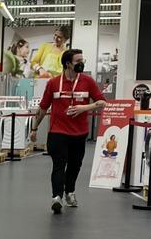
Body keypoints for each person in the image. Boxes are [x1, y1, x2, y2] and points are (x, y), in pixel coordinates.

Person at [30, 48, 106, 214]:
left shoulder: (88, 82)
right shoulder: (53, 83)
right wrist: (34, 128)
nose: (82, 63)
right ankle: (56, 197)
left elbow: (102, 102)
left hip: (79, 133)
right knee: (59, 165)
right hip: (58, 132)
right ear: (68, 64)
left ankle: (69, 192)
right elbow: (43, 108)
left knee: (75, 165)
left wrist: (84, 107)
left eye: (82, 60)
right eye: (78, 61)